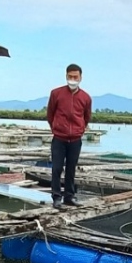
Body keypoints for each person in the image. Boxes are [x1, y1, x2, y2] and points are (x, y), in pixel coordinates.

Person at [46, 64, 92, 209]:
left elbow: (86, 117)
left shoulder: (86, 98)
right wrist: (55, 128)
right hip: (59, 138)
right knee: (57, 168)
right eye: (70, 77)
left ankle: (69, 197)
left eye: (75, 77)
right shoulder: (56, 94)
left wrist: (79, 130)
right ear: (66, 76)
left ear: (81, 77)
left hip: (75, 140)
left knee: (71, 169)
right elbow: (50, 114)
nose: (73, 79)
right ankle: (56, 197)